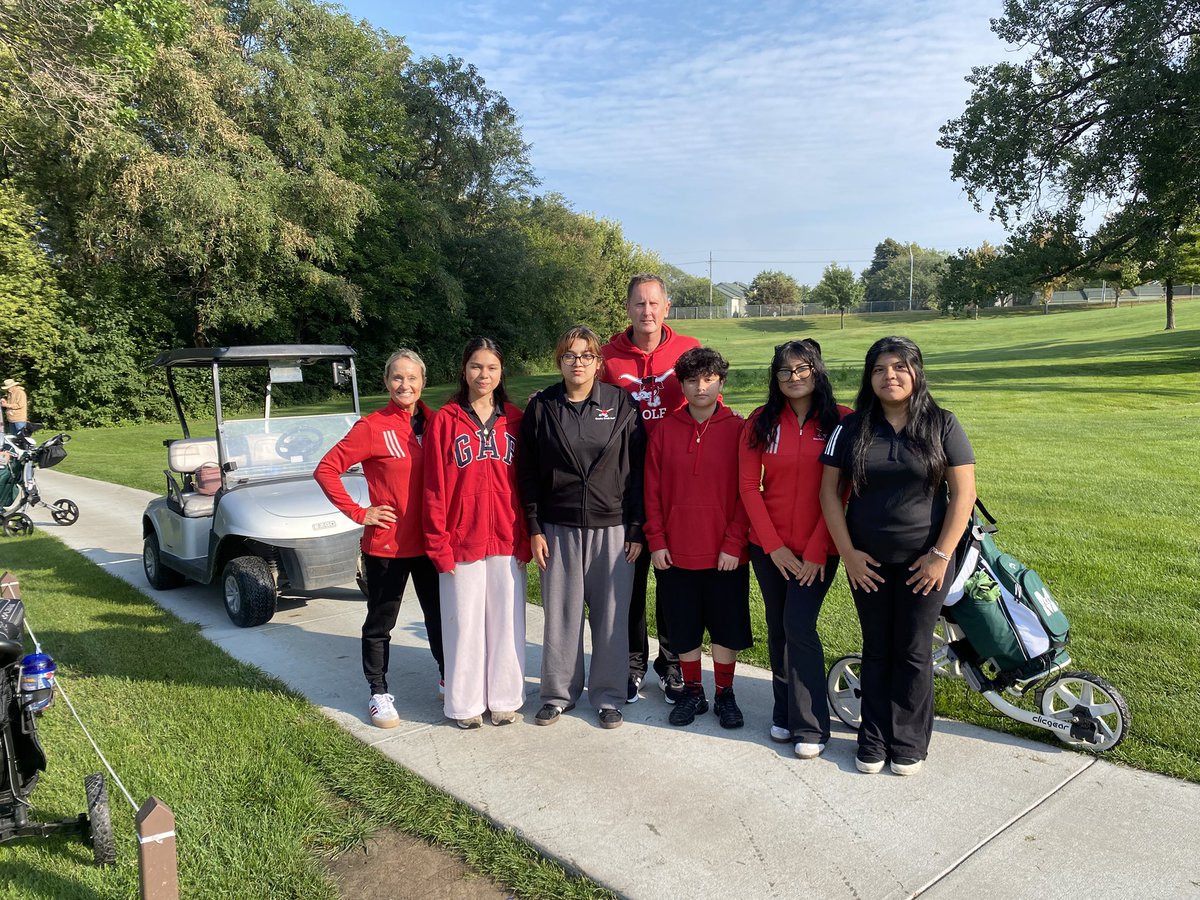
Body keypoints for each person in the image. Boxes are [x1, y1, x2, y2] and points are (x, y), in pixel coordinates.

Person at [819, 336, 976, 776]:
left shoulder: (943, 423)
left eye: (900, 367)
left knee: (912, 649)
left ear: (916, 372)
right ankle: (873, 737)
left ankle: (907, 740)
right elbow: (828, 495)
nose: (890, 376)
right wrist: (848, 554)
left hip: (926, 563)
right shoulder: (850, 428)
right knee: (876, 648)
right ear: (870, 378)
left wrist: (940, 555)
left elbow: (964, 494)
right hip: (866, 562)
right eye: (880, 369)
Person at [519, 325, 645, 730]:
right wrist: (534, 525)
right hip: (559, 526)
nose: (578, 362)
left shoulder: (621, 403)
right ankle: (558, 694)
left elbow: (639, 470)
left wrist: (638, 525)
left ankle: (608, 696)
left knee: (610, 616)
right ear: (559, 361)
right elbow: (528, 473)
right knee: (562, 613)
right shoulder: (542, 407)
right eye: (570, 355)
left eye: (586, 355)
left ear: (598, 361)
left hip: (614, 527)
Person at [314, 350, 444, 730]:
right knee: (380, 622)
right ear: (387, 382)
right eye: (397, 378)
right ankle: (378, 692)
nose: (405, 385)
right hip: (387, 545)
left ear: (423, 381)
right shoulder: (371, 427)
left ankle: (447, 676)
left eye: (413, 378)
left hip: (432, 542)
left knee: (440, 618)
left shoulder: (436, 422)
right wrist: (360, 512)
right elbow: (326, 469)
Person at [739, 339, 851, 759]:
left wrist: (818, 549)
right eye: (784, 371)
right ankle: (784, 712)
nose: (793, 378)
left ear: (817, 371)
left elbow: (843, 490)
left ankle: (812, 725)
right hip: (769, 549)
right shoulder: (760, 422)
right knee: (779, 628)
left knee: (799, 627)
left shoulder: (842, 422)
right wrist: (774, 547)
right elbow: (749, 488)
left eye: (802, 369)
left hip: (821, 549)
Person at [601, 273, 700, 705]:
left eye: (654, 304)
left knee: (672, 576)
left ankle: (671, 660)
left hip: (676, 478)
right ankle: (633, 661)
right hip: (623, 478)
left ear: (667, 306)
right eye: (639, 304)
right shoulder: (607, 356)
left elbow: (707, 392)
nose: (647, 312)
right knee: (632, 575)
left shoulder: (687, 349)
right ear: (627, 308)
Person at [423, 338, 530, 729]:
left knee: (507, 621)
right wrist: (439, 544)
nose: (483, 375)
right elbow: (434, 487)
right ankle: (464, 703)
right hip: (460, 540)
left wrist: (525, 537)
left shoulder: (516, 419)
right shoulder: (445, 420)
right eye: (476, 367)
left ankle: (504, 697)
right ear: (463, 369)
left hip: (506, 537)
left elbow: (526, 485)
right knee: (463, 624)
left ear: (502, 373)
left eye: (492, 368)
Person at [643, 347, 752, 729]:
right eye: (692, 380)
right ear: (682, 385)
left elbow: (747, 492)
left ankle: (724, 693)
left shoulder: (739, 430)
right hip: (676, 552)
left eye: (708, 378)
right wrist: (656, 539)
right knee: (684, 628)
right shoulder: (664, 431)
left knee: (726, 628)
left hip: (725, 554)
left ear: (721, 382)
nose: (700, 386)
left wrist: (734, 543)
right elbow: (651, 492)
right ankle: (693, 692)